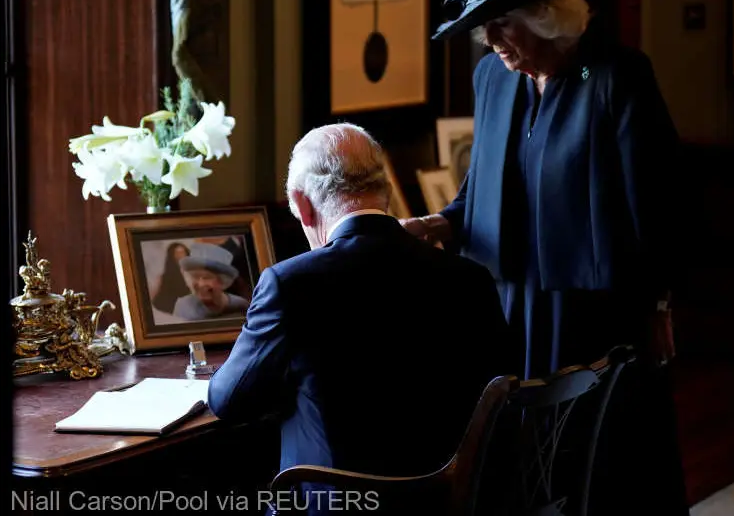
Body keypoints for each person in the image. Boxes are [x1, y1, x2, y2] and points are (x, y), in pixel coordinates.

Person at [401, 0, 689, 515]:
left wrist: (658, 304)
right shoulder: (493, 80)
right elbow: (480, 190)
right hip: (508, 305)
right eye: (483, 28)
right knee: (516, 468)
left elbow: (657, 206)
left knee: (599, 468)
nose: (492, 41)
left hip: (593, 311)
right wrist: (442, 224)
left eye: (503, 22)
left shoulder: (615, 76)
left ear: (546, 15)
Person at [207, 123, 512, 515]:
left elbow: (228, 400)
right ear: (383, 192)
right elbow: (501, 393)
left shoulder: (289, 283)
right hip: (448, 504)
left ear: (301, 204)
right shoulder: (469, 279)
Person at [173, 243, 250, 321]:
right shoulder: (183, 306)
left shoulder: (241, 306)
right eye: (195, 277)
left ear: (222, 281)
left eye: (207, 277)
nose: (201, 284)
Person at [150, 242, 192, 313]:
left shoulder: (193, 270)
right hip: (172, 309)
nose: (180, 255)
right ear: (172, 255)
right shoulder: (167, 274)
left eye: (182, 252)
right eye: (177, 252)